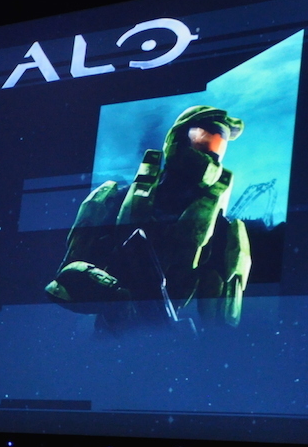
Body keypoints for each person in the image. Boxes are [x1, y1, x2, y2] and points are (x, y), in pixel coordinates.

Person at [45, 105, 251, 332]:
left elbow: (221, 323)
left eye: (218, 144)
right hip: (109, 330)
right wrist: (113, 296)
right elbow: (66, 281)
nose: (209, 151)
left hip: (165, 338)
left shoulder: (221, 229)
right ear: (178, 138)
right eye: (202, 139)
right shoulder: (115, 199)